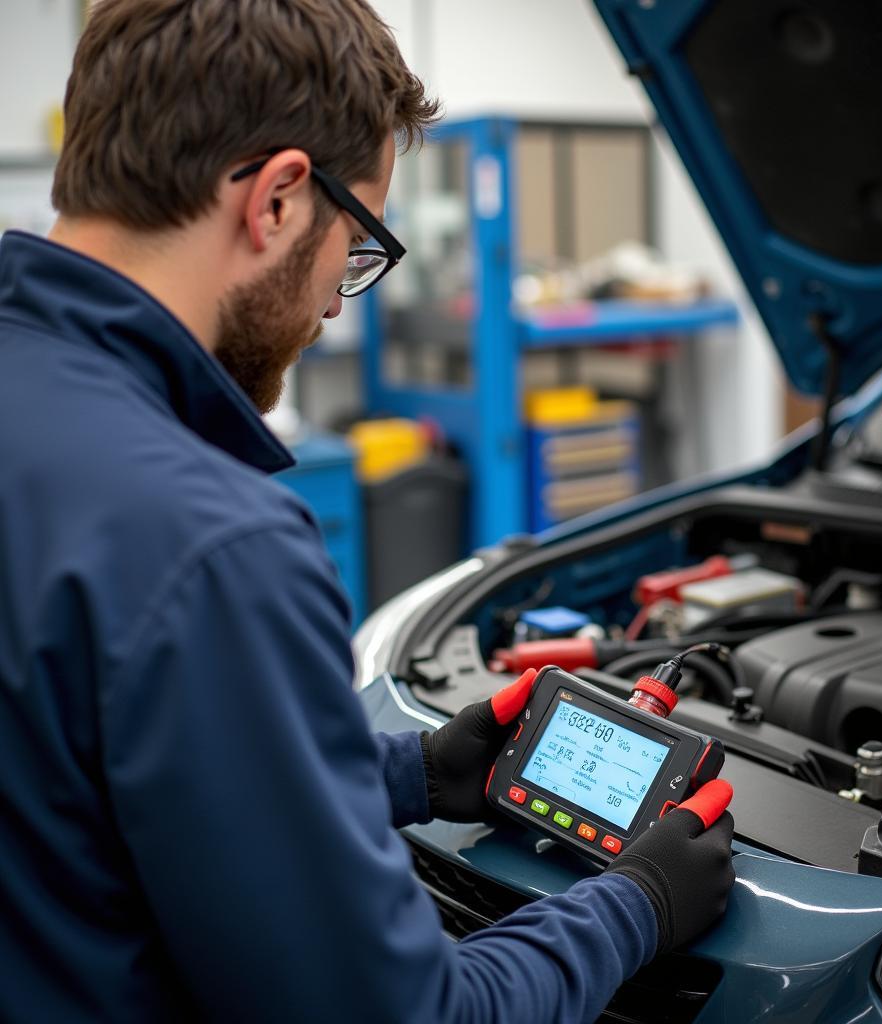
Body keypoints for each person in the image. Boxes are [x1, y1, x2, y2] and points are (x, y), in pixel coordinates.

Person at [0, 1, 736, 1021]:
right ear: (279, 202)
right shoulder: (214, 545)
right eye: (354, 248)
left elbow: (94, 792)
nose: (335, 306)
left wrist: (412, 773)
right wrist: (636, 906)